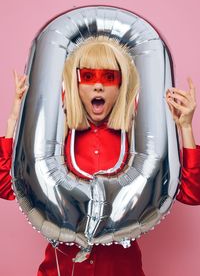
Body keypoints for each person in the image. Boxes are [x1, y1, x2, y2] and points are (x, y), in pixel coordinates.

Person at [0, 36, 200, 276]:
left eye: (109, 77)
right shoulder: (55, 143)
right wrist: (14, 120)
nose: (98, 86)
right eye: (88, 77)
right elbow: (7, 188)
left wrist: (185, 128)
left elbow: (191, 194)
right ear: (75, 85)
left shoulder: (139, 147)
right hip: (62, 270)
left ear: (121, 86)